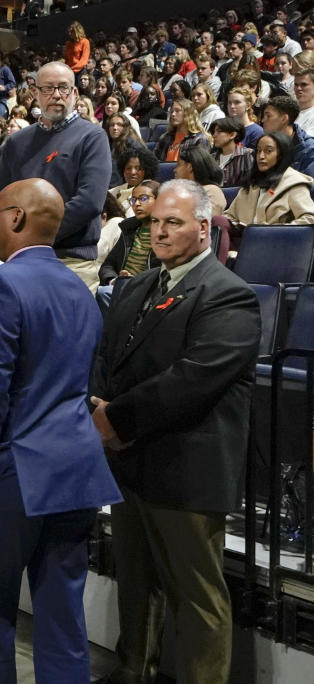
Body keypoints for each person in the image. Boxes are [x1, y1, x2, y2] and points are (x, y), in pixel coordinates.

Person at [0, 178, 119, 683]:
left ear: (15, 218)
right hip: (74, 473)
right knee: (63, 614)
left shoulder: (0, 284)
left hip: (6, 474)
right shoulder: (79, 289)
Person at [91, 180, 260, 684]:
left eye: (174, 223)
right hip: (129, 463)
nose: (160, 232)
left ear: (204, 227)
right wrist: (99, 405)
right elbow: (107, 359)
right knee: (135, 583)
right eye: (156, 222)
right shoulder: (137, 285)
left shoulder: (231, 295)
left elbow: (192, 380)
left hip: (186, 467)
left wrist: (115, 419)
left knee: (195, 596)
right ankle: (131, 672)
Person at [0, 61, 111, 289]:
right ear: (36, 93)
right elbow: (0, 201)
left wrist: (32, 239)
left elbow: (89, 202)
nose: (56, 94)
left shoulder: (92, 137)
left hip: (72, 261)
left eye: (63, 87)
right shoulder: (17, 142)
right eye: (48, 88)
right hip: (21, 261)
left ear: (74, 93)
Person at [224, 130, 314, 231]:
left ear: (282, 155)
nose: (261, 156)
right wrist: (234, 225)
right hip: (244, 241)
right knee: (219, 221)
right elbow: (229, 215)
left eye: (268, 151)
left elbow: (309, 218)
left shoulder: (294, 183)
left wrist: (273, 232)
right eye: (258, 151)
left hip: (276, 243)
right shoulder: (252, 183)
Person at [175, 144, 228, 216]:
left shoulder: (212, 191)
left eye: (179, 165)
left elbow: (205, 218)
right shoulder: (178, 191)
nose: (175, 170)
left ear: (190, 167)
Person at [208, 117, 255, 188]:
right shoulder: (211, 158)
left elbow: (250, 186)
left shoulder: (247, 155)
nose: (214, 135)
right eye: (213, 132)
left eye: (219, 131)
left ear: (232, 135)